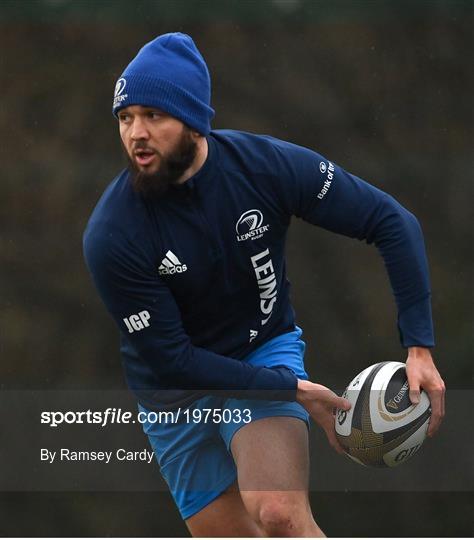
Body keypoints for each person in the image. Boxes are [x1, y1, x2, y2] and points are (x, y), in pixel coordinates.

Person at [83, 32, 445, 537]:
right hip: (172, 393)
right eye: (125, 118)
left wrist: (419, 347)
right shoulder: (112, 234)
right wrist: (294, 390)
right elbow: (173, 360)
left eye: (153, 116)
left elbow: (392, 221)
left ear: (193, 118)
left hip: (261, 352)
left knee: (278, 514)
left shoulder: (263, 167)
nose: (136, 133)